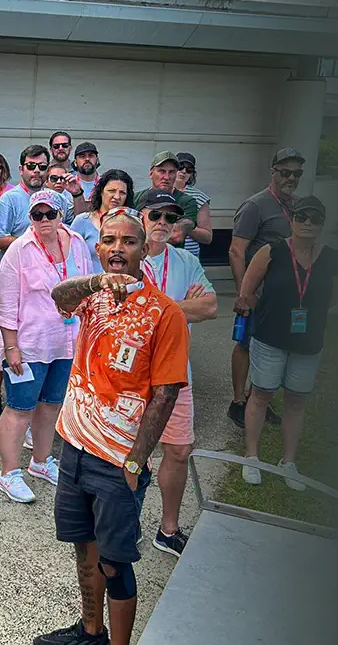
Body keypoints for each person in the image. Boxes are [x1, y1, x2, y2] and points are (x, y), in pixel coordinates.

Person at [33, 207, 188, 645]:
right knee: (84, 546)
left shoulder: (164, 313)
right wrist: (98, 282)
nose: (118, 249)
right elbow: (59, 297)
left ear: (144, 249)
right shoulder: (91, 297)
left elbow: (165, 393)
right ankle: (90, 631)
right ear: (98, 247)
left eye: (129, 242)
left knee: (116, 561)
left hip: (119, 459)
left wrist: (137, 461)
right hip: (75, 446)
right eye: (110, 241)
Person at [0, 189, 96, 503]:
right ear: (30, 217)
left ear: (60, 214)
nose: (44, 220)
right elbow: (5, 303)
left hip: (66, 344)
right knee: (20, 409)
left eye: (50, 214)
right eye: (37, 215)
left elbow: (87, 286)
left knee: (51, 406)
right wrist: (11, 348)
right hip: (29, 344)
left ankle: (40, 462)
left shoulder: (76, 242)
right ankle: (9, 473)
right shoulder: (19, 250)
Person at [129, 190, 216, 557]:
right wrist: (181, 308)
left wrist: (159, 307)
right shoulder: (125, 258)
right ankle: (126, 524)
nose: (163, 223)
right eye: (155, 216)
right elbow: (122, 311)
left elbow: (210, 306)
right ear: (141, 217)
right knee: (132, 453)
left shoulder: (185, 262)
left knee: (178, 450)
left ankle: (168, 529)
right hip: (131, 375)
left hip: (177, 372)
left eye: (170, 217)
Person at [233, 196, 338, 489]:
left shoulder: (332, 258)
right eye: (302, 216)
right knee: (261, 394)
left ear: (322, 223)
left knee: (296, 399)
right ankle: (252, 457)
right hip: (269, 338)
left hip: (308, 342)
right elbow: (247, 292)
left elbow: (333, 298)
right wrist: (269, 314)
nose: (308, 223)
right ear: (291, 219)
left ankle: (289, 461)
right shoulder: (272, 251)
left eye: (315, 218)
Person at [226, 148, 305, 429]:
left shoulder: (296, 207)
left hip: (282, 296)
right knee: (246, 345)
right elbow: (237, 250)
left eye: (297, 173)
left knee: (269, 347)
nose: (291, 178)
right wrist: (242, 293)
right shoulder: (255, 206)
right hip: (256, 292)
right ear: (273, 172)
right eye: (285, 172)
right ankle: (237, 403)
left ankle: (255, 399)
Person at [0, 144, 51, 421]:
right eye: (31, 166)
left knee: (37, 339)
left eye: (41, 167)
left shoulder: (54, 199)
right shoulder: (11, 199)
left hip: (45, 284)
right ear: (21, 169)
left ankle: (29, 395)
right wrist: (30, 240)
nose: (36, 171)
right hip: (13, 280)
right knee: (3, 338)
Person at [130, 152, 203, 255]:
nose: (166, 177)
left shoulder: (187, 201)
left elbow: (178, 234)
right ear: (151, 173)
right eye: (161, 171)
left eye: (172, 172)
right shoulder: (135, 198)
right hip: (138, 258)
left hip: (170, 260)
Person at [69, 169, 132, 259]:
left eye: (122, 193)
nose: (117, 197)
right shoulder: (82, 221)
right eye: (112, 191)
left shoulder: (131, 224)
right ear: (101, 191)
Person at [171, 152, 213, 258]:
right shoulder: (158, 192)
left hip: (188, 256)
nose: (184, 171)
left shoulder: (199, 197)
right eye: (181, 167)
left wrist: (186, 227)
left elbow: (207, 237)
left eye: (189, 170)